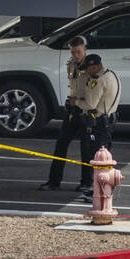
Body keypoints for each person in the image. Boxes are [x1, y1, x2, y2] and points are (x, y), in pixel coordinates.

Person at [39, 36, 91, 193]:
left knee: (86, 149)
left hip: (87, 111)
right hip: (73, 110)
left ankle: (86, 183)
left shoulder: (92, 67)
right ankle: (54, 182)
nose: (76, 55)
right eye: (73, 52)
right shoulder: (70, 65)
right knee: (60, 144)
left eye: (79, 52)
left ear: (85, 50)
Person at [75, 52, 120, 201]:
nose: (86, 72)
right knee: (103, 158)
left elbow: (90, 104)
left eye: (88, 69)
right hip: (109, 120)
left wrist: (74, 102)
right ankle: (97, 190)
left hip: (99, 122)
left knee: (97, 159)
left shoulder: (98, 80)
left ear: (94, 67)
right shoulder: (112, 74)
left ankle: (99, 193)